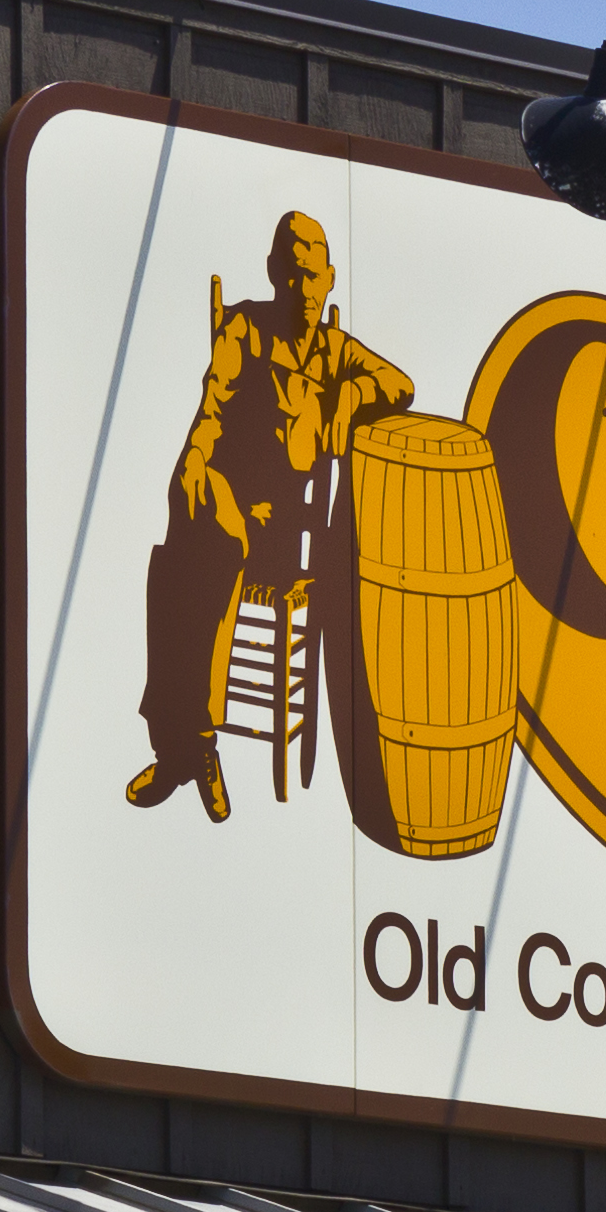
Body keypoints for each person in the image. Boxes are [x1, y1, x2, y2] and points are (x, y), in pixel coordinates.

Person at [129, 210, 411, 820]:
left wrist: (353, 395)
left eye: (314, 278)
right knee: (192, 545)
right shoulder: (244, 329)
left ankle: (183, 747)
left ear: (331, 280)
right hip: (225, 503)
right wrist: (191, 467)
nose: (303, 291)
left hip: (285, 537)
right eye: (293, 275)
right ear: (274, 273)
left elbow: (401, 385)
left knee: (191, 560)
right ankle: (194, 743)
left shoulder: (337, 353)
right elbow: (211, 406)